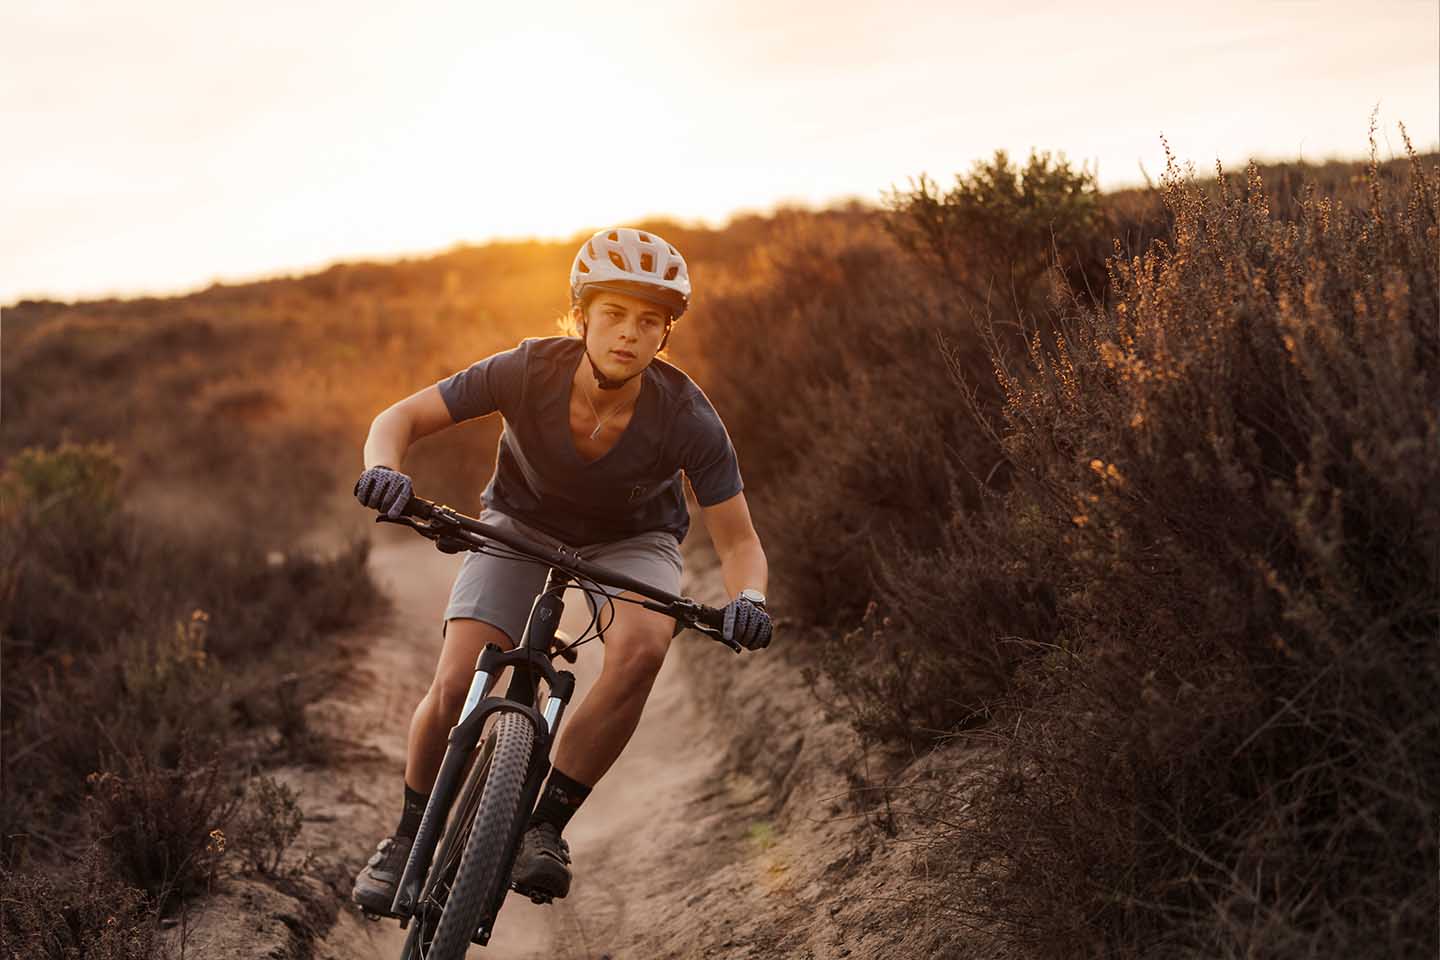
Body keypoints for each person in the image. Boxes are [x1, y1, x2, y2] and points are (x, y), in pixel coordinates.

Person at [349, 227, 772, 914]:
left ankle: (543, 826)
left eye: (649, 322)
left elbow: (740, 542)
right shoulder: (526, 370)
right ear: (581, 316)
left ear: (666, 335)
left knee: (642, 650)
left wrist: (749, 595)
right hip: (517, 524)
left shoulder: (690, 416)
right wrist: (383, 468)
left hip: (633, 542)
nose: (629, 334)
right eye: (613, 315)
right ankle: (403, 839)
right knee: (457, 680)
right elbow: (400, 418)